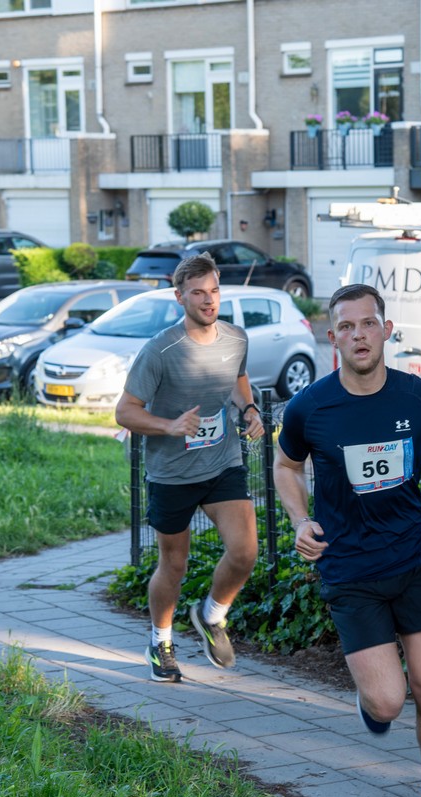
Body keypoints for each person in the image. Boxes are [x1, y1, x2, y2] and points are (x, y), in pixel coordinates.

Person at [273, 283, 421, 797]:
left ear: (386, 331)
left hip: (417, 561)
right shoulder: (310, 407)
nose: (359, 334)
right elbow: (285, 466)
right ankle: (373, 701)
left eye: (368, 323)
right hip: (350, 571)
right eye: (346, 326)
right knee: (389, 701)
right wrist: (301, 520)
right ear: (333, 338)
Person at [115, 252, 264, 683]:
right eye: (198, 293)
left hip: (222, 461)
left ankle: (211, 615)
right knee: (173, 565)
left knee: (245, 551)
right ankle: (160, 641)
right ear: (179, 297)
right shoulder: (160, 351)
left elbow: (236, 376)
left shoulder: (236, 338)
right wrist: (170, 425)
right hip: (172, 473)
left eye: (214, 290)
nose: (208, 300)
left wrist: (249, 407)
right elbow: (125, 412)